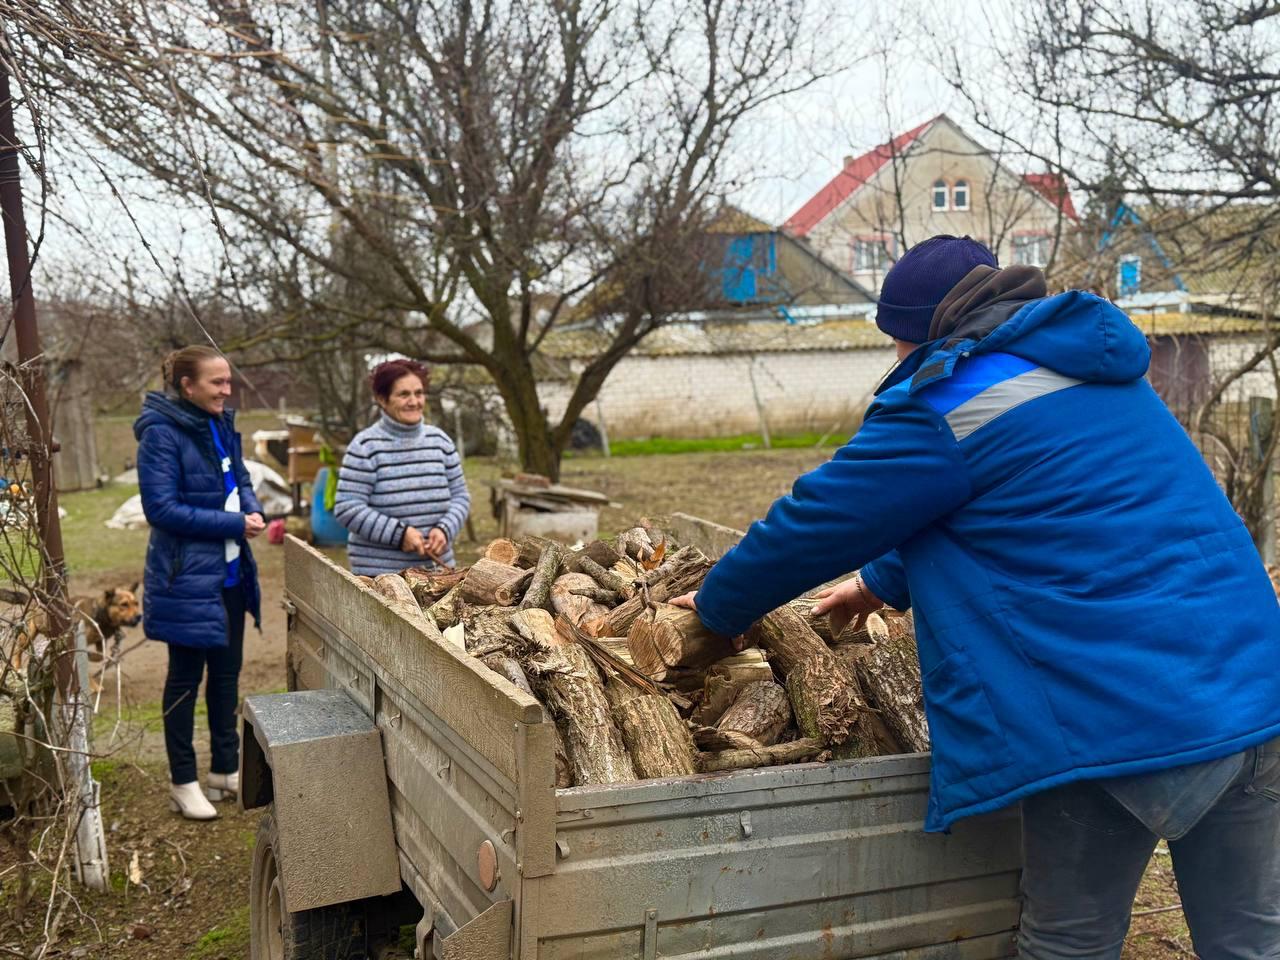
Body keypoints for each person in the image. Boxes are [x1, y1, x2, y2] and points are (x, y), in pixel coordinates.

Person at [674, 235, 1280, 959]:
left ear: (920, 330)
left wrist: (715, 607)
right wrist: (877, 583)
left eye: (895, 338)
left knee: (1070, 942)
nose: (895, 355)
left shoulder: (948, 399)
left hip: (1114, 714)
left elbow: (818, 521)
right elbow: (1035, 503)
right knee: (1252, 943)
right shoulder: (1089, 368)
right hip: (1251, 686)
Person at [136, 345, 264, 821]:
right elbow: (161, 509)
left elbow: (242, 479)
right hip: (186, 580)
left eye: (228, 381)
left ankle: (224, 769)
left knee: (227, 675)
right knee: (185, 682)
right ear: (187, 386)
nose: (227, 390)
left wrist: (252, 509)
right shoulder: (161, 433)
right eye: (217, 383)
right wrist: (233, 524)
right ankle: (183, 781)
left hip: (230, 574)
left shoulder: (221, 424)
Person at [334, 359, 470, 575]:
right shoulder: (365, 447)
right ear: (382, 399)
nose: (414, 401)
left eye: (419, 393)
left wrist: (445, 529)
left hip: (438, 573)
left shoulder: (440, 442)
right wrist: (399, 534)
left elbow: (461, 497)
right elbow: (347, 507)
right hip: (381, 576)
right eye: (404, 394)